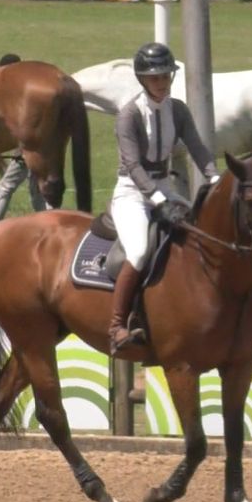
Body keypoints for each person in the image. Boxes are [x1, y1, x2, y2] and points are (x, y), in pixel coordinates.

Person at [107, 41, 219, 353]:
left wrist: (215, 177)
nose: (162, 82)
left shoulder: (178, 110)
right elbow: (132, 165)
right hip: (132, 192)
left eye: (166, 76)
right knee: (139, 251)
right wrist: (157, 200)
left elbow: (197, 147)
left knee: (199, 232)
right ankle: (116, 325)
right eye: (155, 78)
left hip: (165, 186)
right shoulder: (129, 115)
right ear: (142, 79)